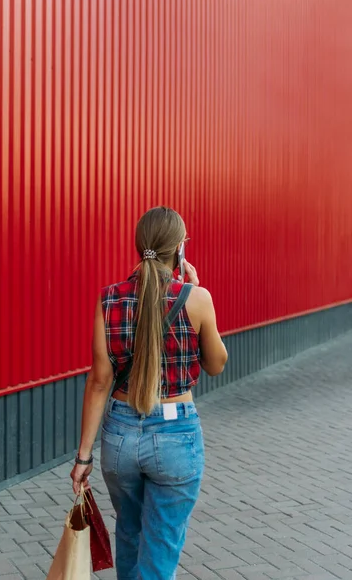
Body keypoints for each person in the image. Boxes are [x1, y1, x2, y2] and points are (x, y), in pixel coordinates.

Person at [71, 206, 228, 579]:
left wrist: (82, 457)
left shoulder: (109, 299)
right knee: (160, 548)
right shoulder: (196, 298)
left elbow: (98, 381)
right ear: (180, 248)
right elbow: (217, 363)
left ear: (139, 245)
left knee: (129, 533)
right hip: (176, 436)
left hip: (120, 436)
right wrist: (197, 289)